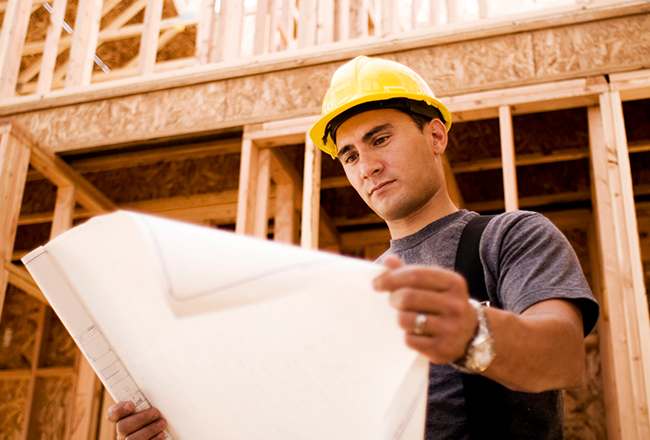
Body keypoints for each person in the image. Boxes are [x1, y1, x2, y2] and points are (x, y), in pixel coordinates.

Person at [107, 56, 599, 439]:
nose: (366, 166)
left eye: (379, 138)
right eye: (350, 155)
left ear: (435, 135)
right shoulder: (356, 287)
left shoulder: (510, 237)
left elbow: (561, 356)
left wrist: (472, 331)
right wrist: (178, 427)